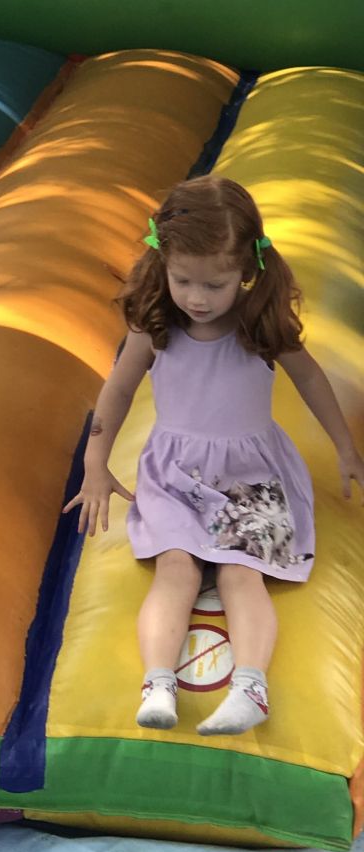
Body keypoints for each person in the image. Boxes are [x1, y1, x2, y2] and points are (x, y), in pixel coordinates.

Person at [63, 176, 364, 735]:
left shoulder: (259, 322)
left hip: (250, 476)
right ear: (163, 264)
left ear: (246, 270)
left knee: (239, 572)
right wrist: (95, 464)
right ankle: (159, 683)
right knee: (175, 569)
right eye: (182, 280)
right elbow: (118, 391)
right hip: (175, 476)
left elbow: (310, 380)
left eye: (214, 285)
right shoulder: (156, 324)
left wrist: (345, 446)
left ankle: (249, 687)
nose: (197, 298)